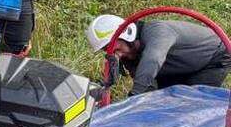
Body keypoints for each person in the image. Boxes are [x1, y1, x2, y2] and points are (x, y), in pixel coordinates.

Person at [87, 14, 231, 95]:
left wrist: (133, 97)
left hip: (213, 59)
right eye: (107, 50)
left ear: (127, 34)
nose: (115, 54)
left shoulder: (158, 31)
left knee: (190, 103)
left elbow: (153, 59)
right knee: (164, 99)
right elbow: (147, 86)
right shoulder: (129, 53)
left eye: (113, 46)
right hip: (181, 65)